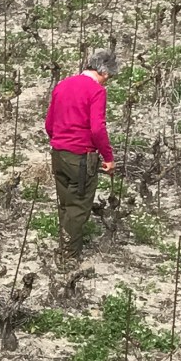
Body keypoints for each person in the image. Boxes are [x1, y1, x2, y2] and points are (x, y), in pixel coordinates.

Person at [44, 49, 118, 267]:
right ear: (105, 72)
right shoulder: (96, 91)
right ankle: (69, 256)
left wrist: (59, 140)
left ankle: (64, 243)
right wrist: (108, 157)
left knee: (65, 202)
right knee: (78, 205)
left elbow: (49, 123)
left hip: (58, 152)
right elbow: (97, 128)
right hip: (81, 156)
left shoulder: (62, 85)